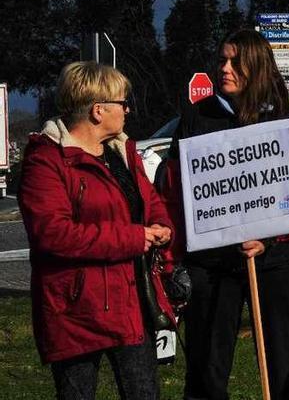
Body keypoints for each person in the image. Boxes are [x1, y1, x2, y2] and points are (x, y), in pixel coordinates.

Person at [160, 29, 289, 400]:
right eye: (221, 59)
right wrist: (173, 258)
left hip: (277, 262)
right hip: (212, 264)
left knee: (282, 363)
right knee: (206, 367)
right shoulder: (195, 120)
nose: (225, 68)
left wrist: (268, 237)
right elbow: (173, 195)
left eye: (236, 61)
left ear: (258, 66)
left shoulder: (285, 120)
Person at [18, 61, 174, 399]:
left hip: (131, 302)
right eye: (122, 102)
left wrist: (162, 225)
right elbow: (53, 233)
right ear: (98, 110)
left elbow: (149, 199)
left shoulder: (122, 152)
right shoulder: (47, 161)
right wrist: (134, 238)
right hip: (75, 312)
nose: (128, 109)